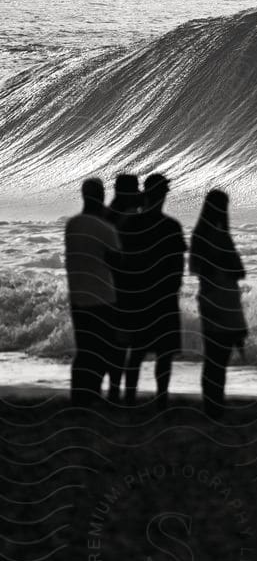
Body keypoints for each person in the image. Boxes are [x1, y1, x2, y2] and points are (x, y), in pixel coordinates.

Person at [114, 173, 187, 407]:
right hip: (163, 297)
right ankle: (161, 399)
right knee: (163, 354)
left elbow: (121, 263)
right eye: (164, 192)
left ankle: (129, 397)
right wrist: (173, 290)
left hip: (138, 296)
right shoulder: (170, 226)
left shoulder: (131, 224)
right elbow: (177, 267)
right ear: (162, 195)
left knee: (136, 350)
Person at [188, 189, 248, 420]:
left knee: (212, 357)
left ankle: (211, 405)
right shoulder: (220, 236)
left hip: (208, 299)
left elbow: (196, 269)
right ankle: (215, 407)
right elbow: (239, 270)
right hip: (225, 300)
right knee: (220, 359)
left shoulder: (199, 235)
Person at [63, 178, 121, 406]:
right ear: (101, 196)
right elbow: (118, 261)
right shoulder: (106, 229)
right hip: (103, 298)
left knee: (84, 349)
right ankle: (94, 394)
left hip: (78, 296)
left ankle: (79, 397)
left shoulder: (73, 225)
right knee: (103, 350)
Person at [101, 172, 141, 401]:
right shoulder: (120, 216)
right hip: (123, 287)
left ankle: (117, 390)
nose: (137, 193)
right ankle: (120, 392)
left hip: (112, 286)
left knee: (119, 342)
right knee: (123, 343)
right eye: (134, 189)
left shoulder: (110, 213)